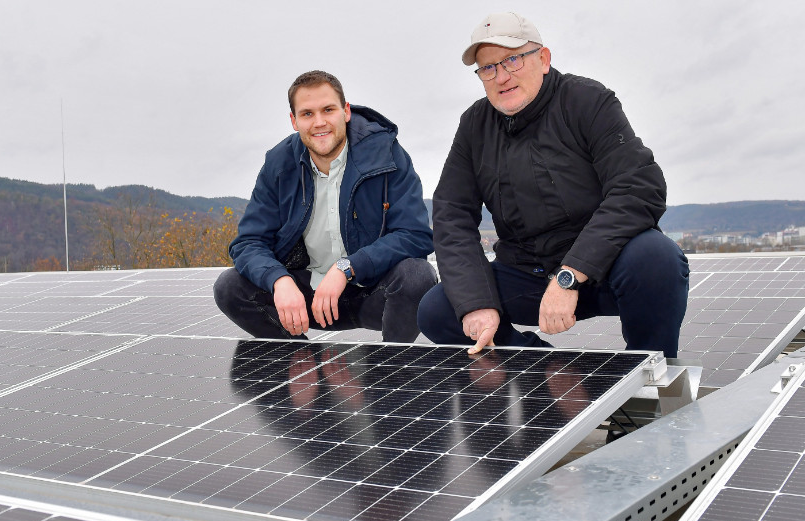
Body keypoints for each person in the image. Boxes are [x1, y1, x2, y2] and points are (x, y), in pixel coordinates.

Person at [418, 12, 689, 359]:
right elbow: (451, 214)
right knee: (439, 309)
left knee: (657, 259)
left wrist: (571, 274)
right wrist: (477, 303)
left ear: (543, 59)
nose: (501, 76)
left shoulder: (587, 101)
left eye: (512, 59)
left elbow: (638, 187)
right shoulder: (475, 125)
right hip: (527, 273)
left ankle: (649, 377)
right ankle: (550, 374)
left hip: (602, 267)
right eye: (488, 68)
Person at [214, 70, 437, 343]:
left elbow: (415, 235)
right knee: (229, 287)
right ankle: (299, 363)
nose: (319, 122)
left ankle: (389, 371)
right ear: (294, 121)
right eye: (307, 114)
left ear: (346, 111)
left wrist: (347, 267)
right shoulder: (279, 165)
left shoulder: (387, 154)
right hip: (306, 300)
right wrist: (279, 281)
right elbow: (248, 242)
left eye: (328, 110)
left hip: (373, 292)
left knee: (418, 276)